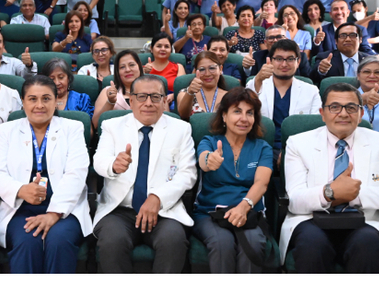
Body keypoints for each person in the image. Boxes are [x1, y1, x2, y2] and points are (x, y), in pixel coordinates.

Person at [281, 82, 379, 273]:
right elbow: (295, 200)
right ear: (322, 113)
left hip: (364, 220)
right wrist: (330, 193)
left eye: (351, 107)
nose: (343, 114)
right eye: (334, 107)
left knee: (368, 247)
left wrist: (354, 196)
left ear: (361, 114)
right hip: (312, 219)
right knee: (312, 247)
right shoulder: (298, 143)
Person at [93, 75, 197, 273]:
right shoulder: (112, 126)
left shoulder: (181, 129)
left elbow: (188, 173)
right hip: (119, 210)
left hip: (164, 210)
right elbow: (99, 161)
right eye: (141, 97)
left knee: (173, 240)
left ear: (165, 100)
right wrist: (114, 166)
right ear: (131, 101)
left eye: (155, 97)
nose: (148, 103)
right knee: (112, 242)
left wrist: (157, 197)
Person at [0, 75, 92, 273]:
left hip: (65, 210)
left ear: (55, 101)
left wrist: (54, 213)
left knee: (59, 241)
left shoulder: (73, 128)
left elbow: (76, 174)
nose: (40, 105)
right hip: (19, 209)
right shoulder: (5, 131)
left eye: (46, 98)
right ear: (23, 102)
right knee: (27, 243)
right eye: (32, 99)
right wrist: (20, 189)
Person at [194, 87, 273, 273]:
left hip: (250, 211)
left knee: (253, 242)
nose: (244, 119)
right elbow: (203, 159)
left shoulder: (263, 148)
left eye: (249, 113)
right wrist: (209, 160)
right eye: (237, 111)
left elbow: (261, 183)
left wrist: (243, 207)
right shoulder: (210, 142)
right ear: (223, 115)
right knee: (222, 243)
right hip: (210, 213)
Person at [246, 39, 321, 157]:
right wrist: (258, 79)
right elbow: (246, 109)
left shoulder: (311, 91)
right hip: (259, 149)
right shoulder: (257, 84)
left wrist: (291, 151)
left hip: (299, 151)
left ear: (299, 61)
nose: (284, 64)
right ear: (270, 61)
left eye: (290, 59)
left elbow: (315, 128)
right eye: (279, 59)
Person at [92, 50, 144, 128]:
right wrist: (110, 102)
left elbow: (165, 119)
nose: (127, 70)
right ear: (117, 72)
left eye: (132, 65)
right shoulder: (107, 92)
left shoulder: (153, 90)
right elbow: (96, 124)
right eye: (122, 67)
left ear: (139, 67)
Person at [242, 25, 311, 78]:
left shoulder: (300, 56)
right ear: (265, 42)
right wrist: (247, 68)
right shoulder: (257, 56)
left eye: (279, 37)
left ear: (286, 39)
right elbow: (251, 82)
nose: (275, 40)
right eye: (271, 38)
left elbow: (308, 80)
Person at [177, 51, 230, 120]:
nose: (207, 74)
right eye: (202, 69)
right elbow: (183, 115)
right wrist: (190, 93)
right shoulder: (184, 93)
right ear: (195, 71)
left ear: (220, 69)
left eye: (212, 68)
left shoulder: (229, 97)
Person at [143, 33, 186, 106]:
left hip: (173, 102)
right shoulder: (144, 69)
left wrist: (173, 95)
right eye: (159, 46)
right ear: (151, 49)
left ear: (171, 50)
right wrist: (144, 73)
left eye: (166, 46)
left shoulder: (178, 67)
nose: (163, 49)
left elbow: (182, 88)